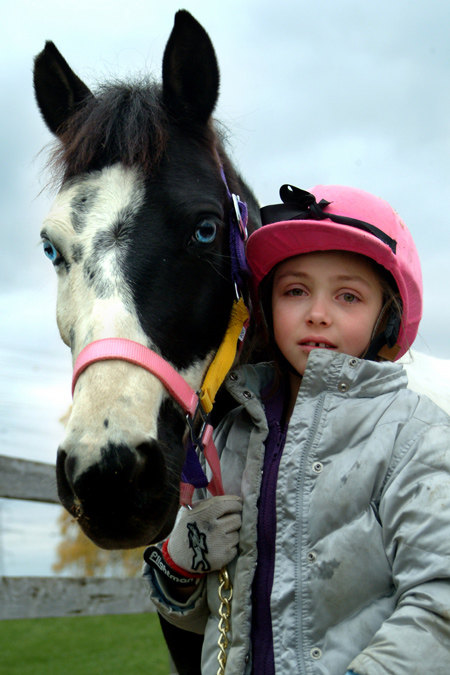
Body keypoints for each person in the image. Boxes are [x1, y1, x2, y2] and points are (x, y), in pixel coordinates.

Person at [144, 184, 450, 674]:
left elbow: (440, 598)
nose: (318, 313)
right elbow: (209, 616)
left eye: (348, 296)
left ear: (386, 320)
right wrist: (178, 566)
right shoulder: (230, 437)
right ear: (267, 308)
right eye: (295, 291)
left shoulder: (416, 436)